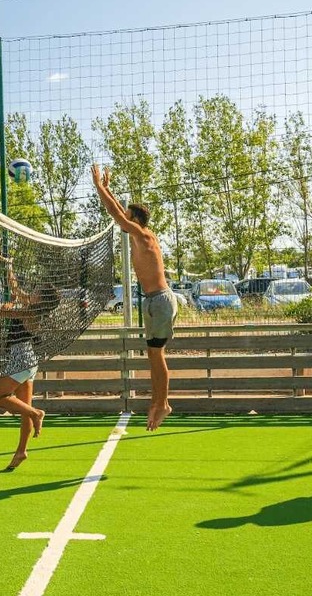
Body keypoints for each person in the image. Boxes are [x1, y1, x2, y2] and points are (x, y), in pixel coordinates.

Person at [92, 164, 176, 431]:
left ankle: (163, 404)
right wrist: (107, 189)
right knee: (153, 354)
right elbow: (118, 210)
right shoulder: (139, 234)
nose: (124, 222)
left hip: (161, 300)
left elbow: (116, 214)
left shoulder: (143, 235)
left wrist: (98, 187)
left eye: (129, 218)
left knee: (156, 355)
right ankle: (158, 402)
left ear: (136, 220)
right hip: (153, 301)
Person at [0, 255, 60, 470]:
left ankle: (37, 413)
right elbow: (15, 287)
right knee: (24, 408)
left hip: (21, 359)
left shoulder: (30, 311)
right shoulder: (34, 306)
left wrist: (10, 301)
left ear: (41, 299)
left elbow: (2, 311)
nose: (32, 291)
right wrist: (9, 265)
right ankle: (21, 451)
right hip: (29, 360)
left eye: (37, 291)